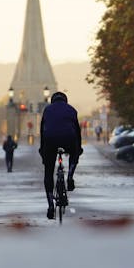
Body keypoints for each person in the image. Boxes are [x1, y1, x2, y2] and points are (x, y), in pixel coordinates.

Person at [39, 91, 83, 219]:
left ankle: (50, 205)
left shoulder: (47, 110)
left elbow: (42, 132)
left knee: (48, 172)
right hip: (68, 139)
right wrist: (78, 149)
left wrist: (42, 151)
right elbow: (77, 132)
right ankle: (69, 177)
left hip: (50, 141)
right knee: (74, 153)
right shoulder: (72, 110)